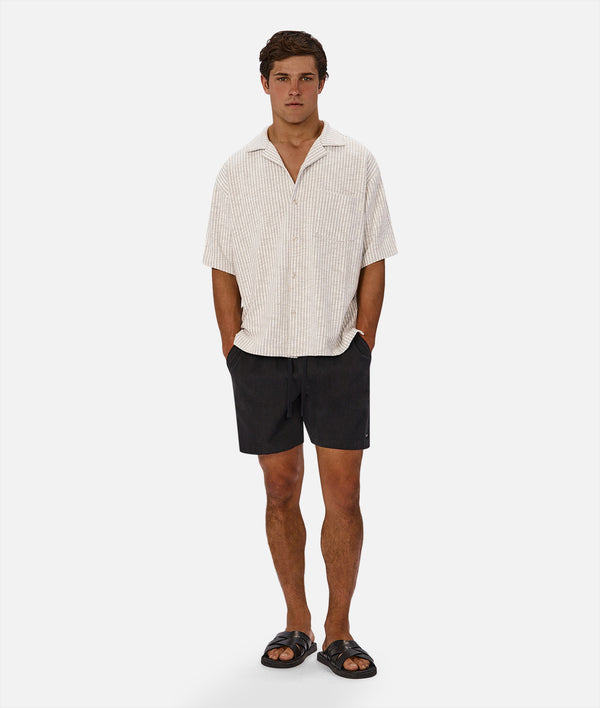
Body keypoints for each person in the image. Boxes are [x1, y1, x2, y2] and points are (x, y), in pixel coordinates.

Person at [202, 30, 397, 679]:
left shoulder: (356, 161)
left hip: (337, 352)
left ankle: (339, 630)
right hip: (260, 357)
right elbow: (221, 264)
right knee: (280, 489)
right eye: (282, 77)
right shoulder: (237, 170)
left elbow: (375, 255)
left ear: (321, 83)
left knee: (344, 495)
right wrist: (232, 347)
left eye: (305, 77)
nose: (294, 89)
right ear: (264, 83)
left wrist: (364, 339)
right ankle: (298, 620)